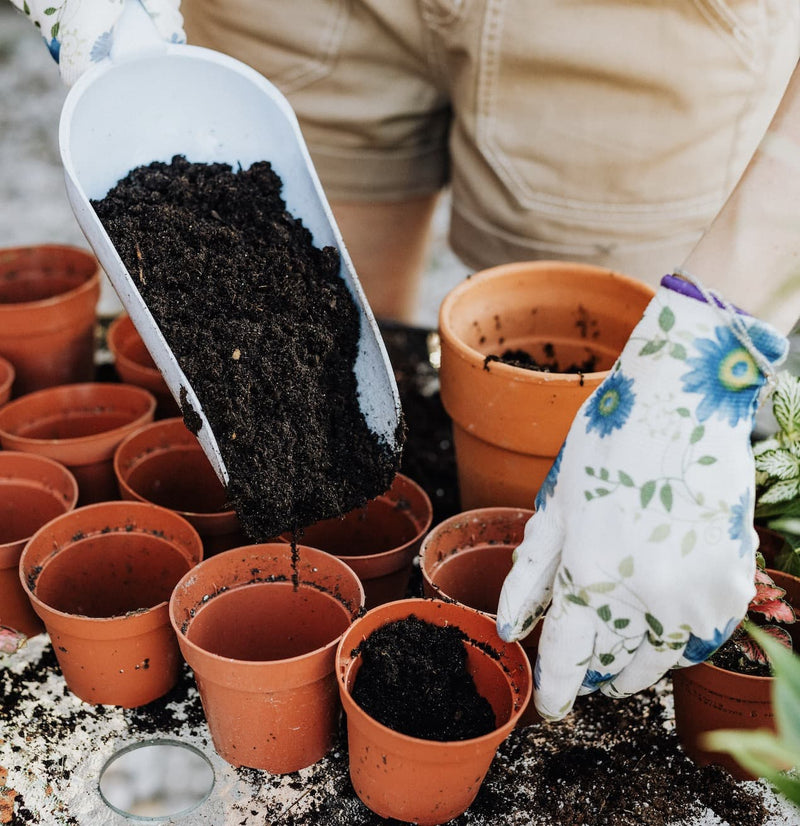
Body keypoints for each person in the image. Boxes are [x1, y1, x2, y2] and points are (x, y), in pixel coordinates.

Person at [10, 0, 799, 721]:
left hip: (639, 29)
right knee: (341, 327)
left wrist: (707, 336)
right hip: (292, 15)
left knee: (582, 365)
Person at [11, 0, 800, 327]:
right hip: (293, 13)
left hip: (642, 27)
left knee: (563, 422)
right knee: (300, 346)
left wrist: (715, 320)